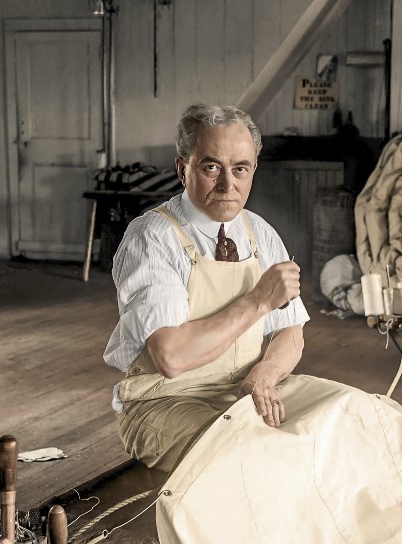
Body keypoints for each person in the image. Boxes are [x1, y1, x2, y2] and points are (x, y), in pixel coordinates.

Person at [104, 104, 309, 472]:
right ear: (183, 169)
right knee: (253, 455)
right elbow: (172, 357)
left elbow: (290, 331)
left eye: (240, 169)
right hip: (166, 402)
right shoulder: (153, 237)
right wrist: (258, 300)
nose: (228, 185)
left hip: (245, 391)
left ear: (253, 171)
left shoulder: (260, 233)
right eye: (212, 167)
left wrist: (264, 374)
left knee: (348, 418)